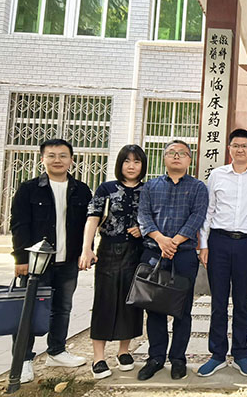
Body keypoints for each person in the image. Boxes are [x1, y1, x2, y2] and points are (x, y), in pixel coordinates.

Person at [10, 138, 92, 384]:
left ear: (71, 160)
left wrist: (87, 251)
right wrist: (21, 258)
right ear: (42, 159)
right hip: (37, 263)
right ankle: (23, 359)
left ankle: (56, 351)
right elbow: (19, 225)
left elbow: (89, 224)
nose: (58, 160)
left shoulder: (81, 190)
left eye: (63, 155)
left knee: (62, 308)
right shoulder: (29, 189)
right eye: (52, 155)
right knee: (29, 310)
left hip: (68, 261)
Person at [197, 129, 247, 378]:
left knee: (242, 302)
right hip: (219, 242)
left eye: (244, 145)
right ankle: (217, 354)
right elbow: (209, 210)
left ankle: (241, 354)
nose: (240, 149)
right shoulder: (217, 175)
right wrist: (204, 244)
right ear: (229, 148)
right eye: (236, 145)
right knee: (218, 301)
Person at [135, 140, 208, 381]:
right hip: (154, 253)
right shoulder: (150, 186)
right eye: (171, 153)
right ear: (164, 158)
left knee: (182, 310)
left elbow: (197, 216)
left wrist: (173, 242)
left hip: (184, 255)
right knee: (154, 308)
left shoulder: (198, 187)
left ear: (189, 159)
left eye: (182, 153)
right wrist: (161, 240)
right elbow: (144, 215)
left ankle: (178, 359)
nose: (176, 156)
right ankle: (155, 358)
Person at [79, 145, 148, 379]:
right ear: (120, 164)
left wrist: (143, 229)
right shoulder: (106, 188)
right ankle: (98, 357)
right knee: (105, 301)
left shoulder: (148, 190)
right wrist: (86, 249)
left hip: (136, 252)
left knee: (131, 301)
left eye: (136, 161)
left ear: (143, 165)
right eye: (127, 161)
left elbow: (154, 219)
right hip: (109, 250)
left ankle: (123, 351)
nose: (131, 166)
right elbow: (92, 218)